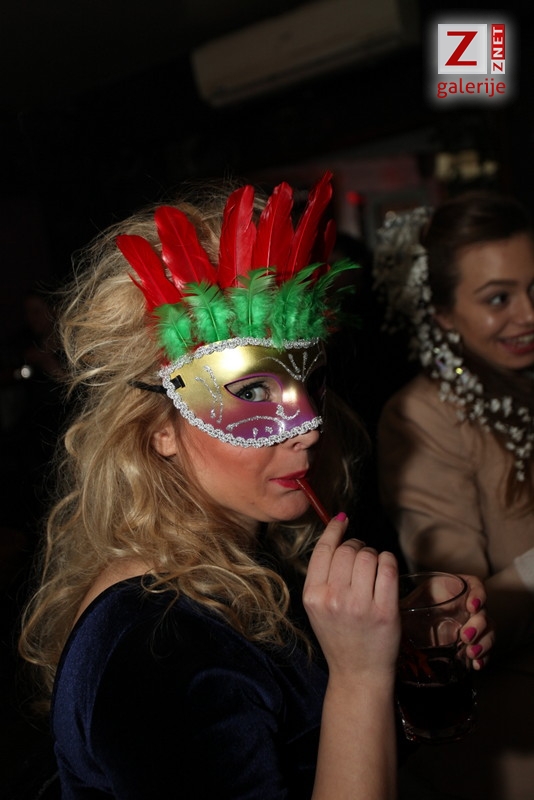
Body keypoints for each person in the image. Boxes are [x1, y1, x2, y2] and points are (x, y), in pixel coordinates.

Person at [18, 174, 491, 800]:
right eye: (251, 391)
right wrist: (360, 676)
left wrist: (397, 652)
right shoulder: (157, 641)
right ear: (159, 429)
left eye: (309, 382)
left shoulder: (249, 570)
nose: (310, 427)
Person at [374, 190, 534, 800]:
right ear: (442, 313)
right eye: (498, 298)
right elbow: (456, 615)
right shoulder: (422, 417)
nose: (527, 314)